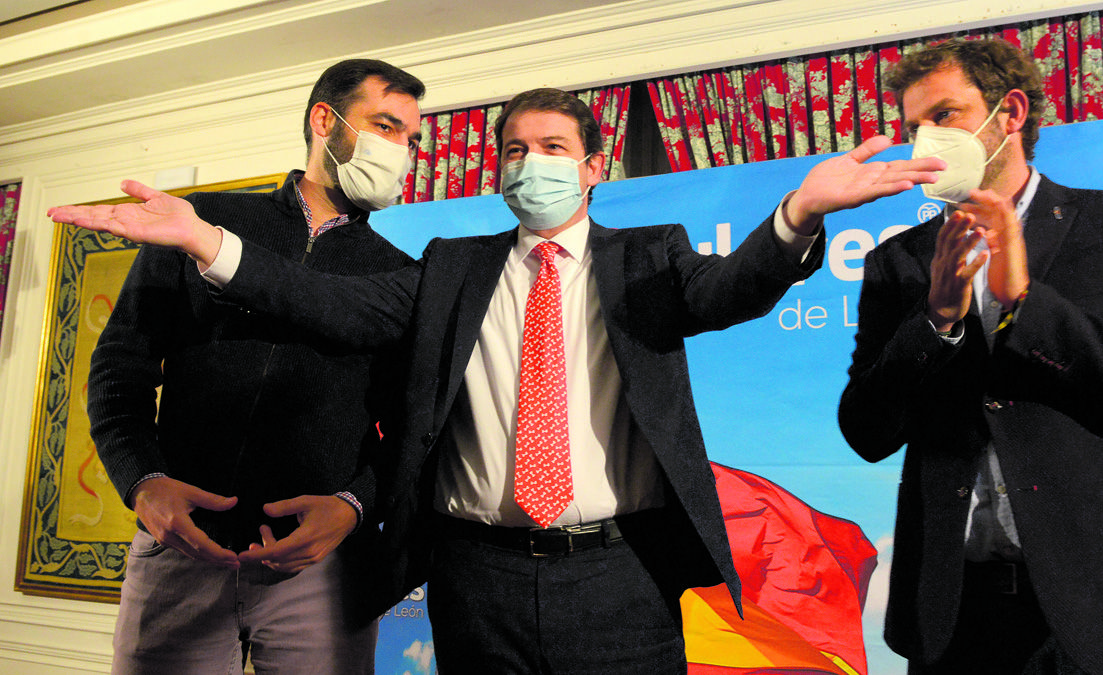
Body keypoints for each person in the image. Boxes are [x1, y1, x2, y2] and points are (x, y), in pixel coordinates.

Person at [50, 87, 942, 674]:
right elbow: (329, 307)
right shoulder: (450, 266)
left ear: (595, 167)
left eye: (553, 146)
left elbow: (733, 290)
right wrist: (210, 242)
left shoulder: (651, 256)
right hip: (478, 581)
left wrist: (798, 213)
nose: (530, 163)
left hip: (622, 578)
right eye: (513, 150)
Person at [838, 38, 1103, 675]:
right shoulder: (896, 262)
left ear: (1009, 113)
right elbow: (867, 432)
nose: (925, 143)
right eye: (913, 128)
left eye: (943, 116)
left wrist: (1025, 303)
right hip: (956, 613)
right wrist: (934, 322)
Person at [83, 59, 425, 674]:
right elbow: (119, 370)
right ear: (327, 119)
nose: (402, 150)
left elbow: (409, 424)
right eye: (386, 126)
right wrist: (142, 481)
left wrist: (353, 504)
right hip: (180, 553)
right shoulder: (200, 222)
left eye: (411, 138)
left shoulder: (400, 274)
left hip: (320, 569)